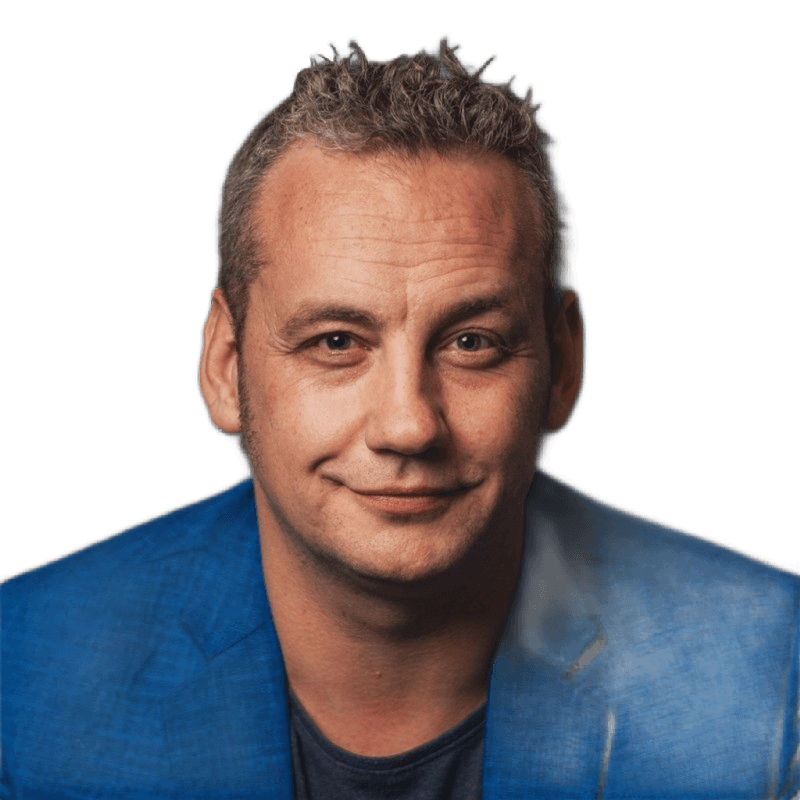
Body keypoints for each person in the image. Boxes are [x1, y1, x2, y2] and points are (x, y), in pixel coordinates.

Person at [1, 34, 798, 800]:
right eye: (336, 342)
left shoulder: (767, 679)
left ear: (564, 364)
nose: (409, 426)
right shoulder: (23, 683)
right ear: (225, 365)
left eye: (472, 342)